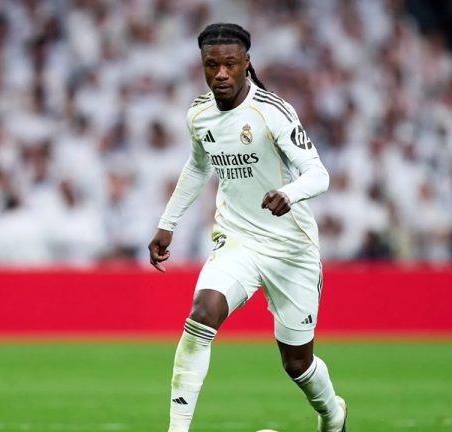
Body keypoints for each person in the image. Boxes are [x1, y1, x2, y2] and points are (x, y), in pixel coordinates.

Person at [148, 23, 347, 432]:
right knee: (201, 314)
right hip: (237, 240)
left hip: (291, 249)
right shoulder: (199, 114)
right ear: (202, 66)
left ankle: (332, 414)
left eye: (230, 64)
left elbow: (318, 174)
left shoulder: (272, 111)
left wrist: (289, 193)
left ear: (246, 64)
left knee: (297, 364)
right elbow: (198, 166)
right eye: (212, 65)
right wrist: (167, 224)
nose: (221, 74)